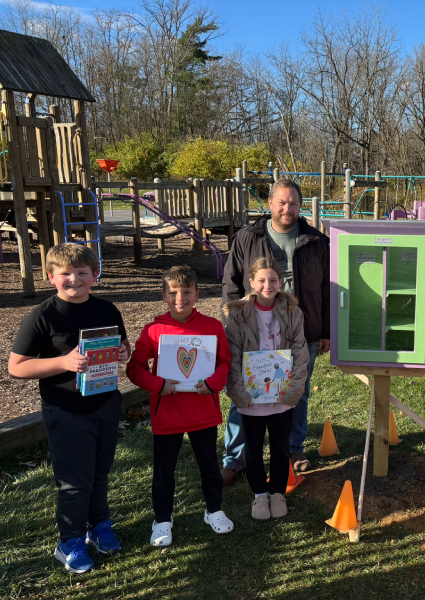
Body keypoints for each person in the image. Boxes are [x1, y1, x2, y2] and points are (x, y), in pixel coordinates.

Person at [8, 244, 130, 574]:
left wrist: (122, 352)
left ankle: (99, 526)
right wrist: (63, 362)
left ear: (94, 275)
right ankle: (70, 541)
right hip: (66, 410)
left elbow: (122, 343)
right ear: (51, 277)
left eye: (81, 273)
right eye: (65, 273)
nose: (73, 279)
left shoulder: (107, 309)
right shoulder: (43, 315)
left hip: (104, 402)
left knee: (99, 473)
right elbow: (16, 367)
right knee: (75, 482)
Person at [221, 179, 329, 481]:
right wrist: (233, 325)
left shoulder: (316, 240)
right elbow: (231, 284)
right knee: (243, 390)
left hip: (299, 331)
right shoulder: (247, 237)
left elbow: (325, 289)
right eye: (282, 202)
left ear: (300, 206)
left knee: (298, 390)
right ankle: (235, 458)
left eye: (294, 203)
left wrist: (326, 330)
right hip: (254, 330)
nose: (287, 208)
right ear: (270, 204)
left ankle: (294, 448)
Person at [126, 266, 234, 547]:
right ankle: (162, 519)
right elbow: (135, 368)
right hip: (168, 415)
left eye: (187, 292)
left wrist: (213, 382)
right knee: (164, 470)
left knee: (210, 466)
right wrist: (158, 384)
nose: (180, 298)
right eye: (173, 292)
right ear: (163, 295)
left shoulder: (211, 327)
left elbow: (225, 361)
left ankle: (214, 510)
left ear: (197, 294)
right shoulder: (153, 330)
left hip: (203, 412)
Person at [224, 258, 309, 520]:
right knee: (253, 448)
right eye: (261, 280)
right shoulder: (237, 314)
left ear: (280, 281)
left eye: (273, 280)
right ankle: (259, 494)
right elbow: (233, 355)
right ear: (251, 282)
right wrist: (239, 392)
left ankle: (278, 493)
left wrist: (294, 389)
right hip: (251, 397)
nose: (267, 285)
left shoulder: (293, 311)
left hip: (282, 394)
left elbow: (300, 353)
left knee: (281, 447)